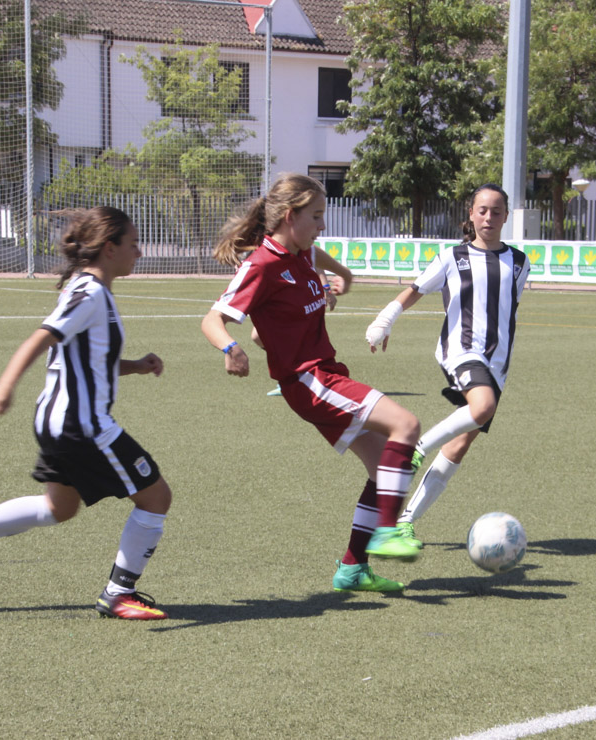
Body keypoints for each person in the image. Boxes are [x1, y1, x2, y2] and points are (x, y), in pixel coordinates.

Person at [0, 206, 174, 620]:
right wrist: (5, 384)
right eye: (133, 244)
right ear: (110, 248)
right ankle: (119, 594)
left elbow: (85, 358)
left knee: (58, 509)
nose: (140, 252)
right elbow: (42, 336)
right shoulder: (91, 293)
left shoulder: (88, 288)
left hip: (57, 421)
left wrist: (134, 365)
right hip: (83, 424)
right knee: (155, 497)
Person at [201, 173, 422, 592]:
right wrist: (231, 351)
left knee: (385, 469)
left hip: (326, 375)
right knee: (406, 426)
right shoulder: (262, 265)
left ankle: (353, 568)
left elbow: (303, 279)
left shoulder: (300, 253)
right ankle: (391, 531)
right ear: (290, 216)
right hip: (310, 381)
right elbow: (213, 320)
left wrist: (343, 279)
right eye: (317, 216)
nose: (322, 225)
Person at [365, 184, 530, 548]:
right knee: (482, 407)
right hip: (462, 351)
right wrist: (384, 320)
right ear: (470, 214)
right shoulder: (452, 257)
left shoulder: (519, 262)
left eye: (497, 211)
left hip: (497, 364)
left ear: (505, 216)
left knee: (459, 444)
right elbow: (415, 289)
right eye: (482, 210)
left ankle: (405, 522)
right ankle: (417, 448)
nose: (489, 217)